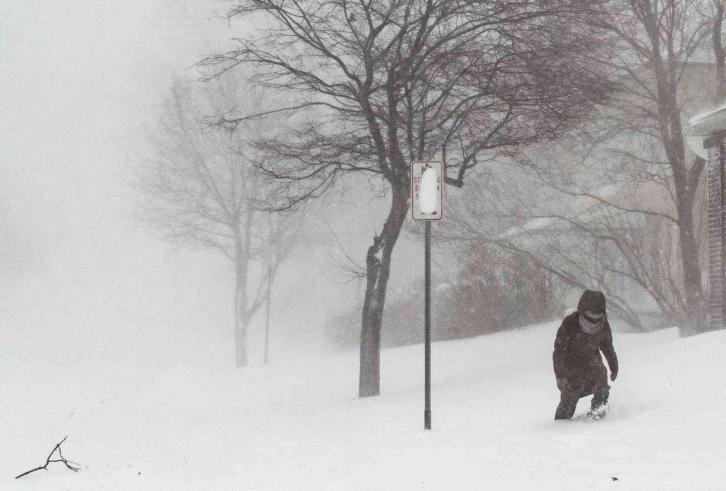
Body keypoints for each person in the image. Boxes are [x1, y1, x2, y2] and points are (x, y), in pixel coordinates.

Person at [552, 290, 619, 420]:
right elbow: (559, 352)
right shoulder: (570, 323)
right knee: (569, 400)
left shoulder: (603, 325)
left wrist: (614, 366)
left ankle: (598, 413)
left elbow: (607, 347)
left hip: (593, 364)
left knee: (602, 386)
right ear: (582, 311)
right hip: (571, 368)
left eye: (598, 316)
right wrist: (560, 375)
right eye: (590, 315)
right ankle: (560, 425)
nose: (594, 320)